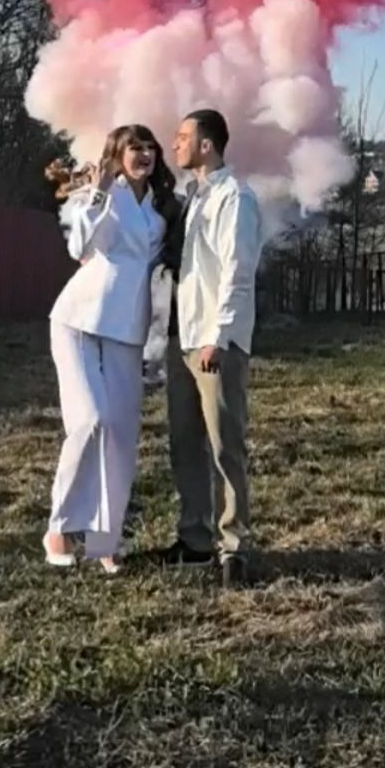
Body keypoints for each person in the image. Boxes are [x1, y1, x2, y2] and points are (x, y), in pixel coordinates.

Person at [43, 125, 180, 573]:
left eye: (149, 147)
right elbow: (77, 247)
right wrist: (99, 193)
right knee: (90, 420)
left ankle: (105, 542)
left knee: (121, 436)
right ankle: (60, 526)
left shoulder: (160, 206)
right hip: (78, 320)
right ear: (117, 155)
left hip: (129, 328)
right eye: (134, 147)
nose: (144, 154)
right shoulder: (101, 192)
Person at [163, 107, 262, 588]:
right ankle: (195, 538)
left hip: (213, 341)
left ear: (206, 145)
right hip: (182, 337)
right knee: (184, 443)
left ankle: (234, 547)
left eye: (183, 137)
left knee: (225, 445)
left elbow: (237, 271)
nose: (175, 144)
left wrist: (218, 336)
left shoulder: (234, 198)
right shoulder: (192, 198)